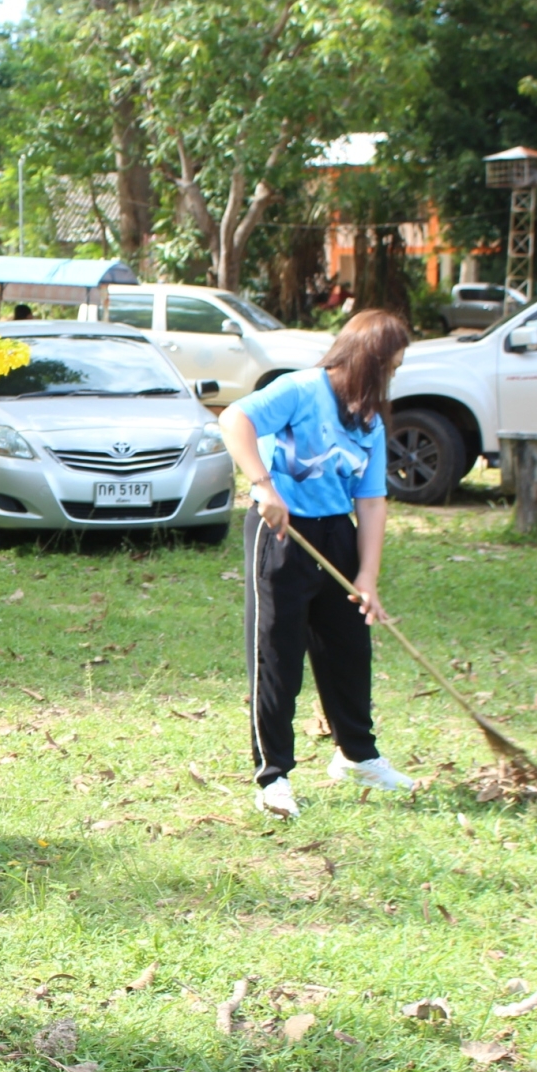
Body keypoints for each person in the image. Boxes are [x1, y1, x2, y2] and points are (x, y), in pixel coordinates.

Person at [218, 309, 416, 820]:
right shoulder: (302, 389)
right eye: (389, 367)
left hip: (337, 535)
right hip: (282, 531)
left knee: (349, 650)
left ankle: (357, 755)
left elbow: (371, 501)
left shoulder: (368, 418)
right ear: (368, 358)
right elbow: (233, 419)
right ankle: (273, 776)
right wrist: (263, 486)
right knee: (278, 655)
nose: (391, 378)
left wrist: (367, 575)